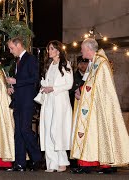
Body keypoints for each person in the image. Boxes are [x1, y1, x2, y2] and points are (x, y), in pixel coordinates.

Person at [70, 38, 129, 174]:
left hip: (102, 107)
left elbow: (99, 86)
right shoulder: (93, 62)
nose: (81, 51)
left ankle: (101, 164)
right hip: (93, 106)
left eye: (83, 49)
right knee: (93, 134)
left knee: (101, 132)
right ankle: (90, 163)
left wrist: (83, 91)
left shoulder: (101, 63)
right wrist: (80, 90)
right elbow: (89, 83)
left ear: (89, 49)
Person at [6, 36, 42, 171]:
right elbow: (21, 80)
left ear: (19, 45)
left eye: (12, 48)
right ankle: (20, 163)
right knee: (18, 132)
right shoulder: (18, 61)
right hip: (18, 100)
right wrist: (12, 88)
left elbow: (34, 79)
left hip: (27, 101)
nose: (10, 51)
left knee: (25, 130)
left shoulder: (30, 59)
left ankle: (37, 158)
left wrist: (16, 82)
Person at [39, 40, 73, 172]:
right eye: (48, 49)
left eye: (52, 49)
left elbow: (69, 84)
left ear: (58, 50)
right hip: (49, 101)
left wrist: (53, 88)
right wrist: (44, 87)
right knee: (47, 130)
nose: (49, 51)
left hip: (60, 102)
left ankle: (62, 161)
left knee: (57, 130)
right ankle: (52, 163)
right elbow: (49, 82)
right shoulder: (50, 65)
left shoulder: (65, 64)